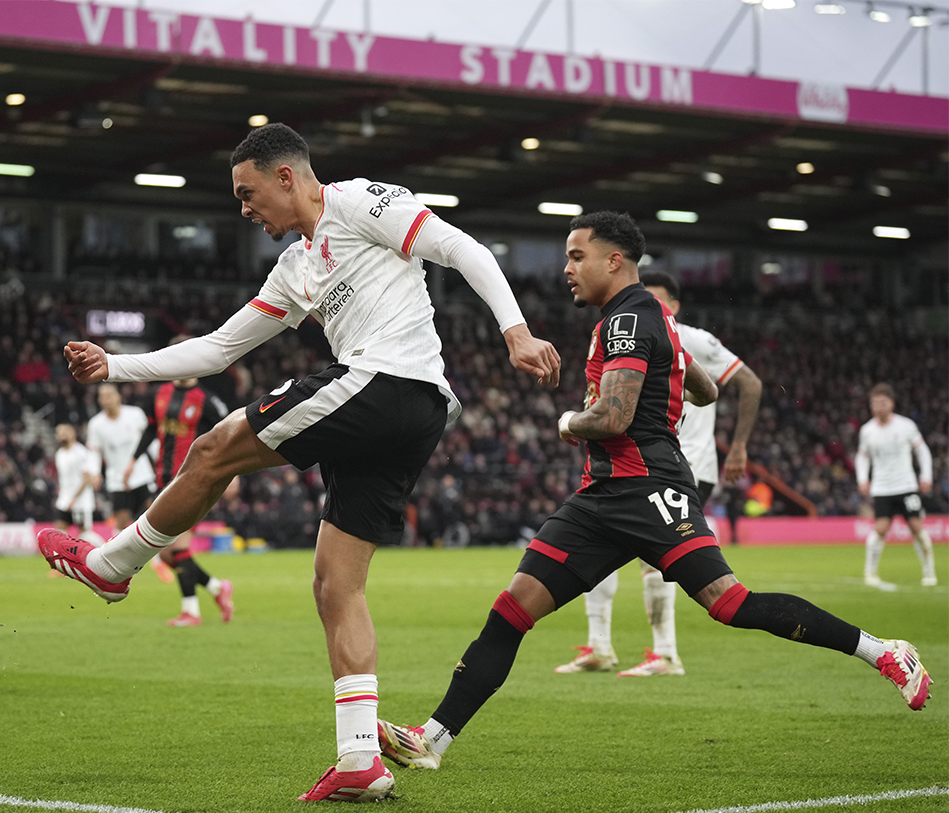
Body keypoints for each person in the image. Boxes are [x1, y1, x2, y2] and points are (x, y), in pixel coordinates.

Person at [40, 122, 561, 801]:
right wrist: (117, 363)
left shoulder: (360, 203)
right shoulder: (293, 267)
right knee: (335, 584)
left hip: (388, 382)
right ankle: (358, 761)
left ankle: (112, 567)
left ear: (286, 176)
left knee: (212, 449)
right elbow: (220, 349)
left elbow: (457, 245)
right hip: (410, 416)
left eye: (248, 192)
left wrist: (514, 330)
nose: (245, 209)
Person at [375, 212, 932, 780]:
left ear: (612, 259)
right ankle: (432, 738)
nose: (566, 269)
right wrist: (671, 369)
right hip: (600, 499)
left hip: (649, 490)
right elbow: (709, 389)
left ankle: (884, 650)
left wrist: (569, 421)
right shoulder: (654, 318)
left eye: (575, 256)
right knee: (511, 610)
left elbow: (613, 418)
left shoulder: (630, 319)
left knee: (730, 604)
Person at [557, 270, 764, 677]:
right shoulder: (620, 332)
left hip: (683, 464)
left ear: (675, 304)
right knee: (594, 546)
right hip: (632, 463)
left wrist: (738, 446)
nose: (646, 305)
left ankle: (666, 653)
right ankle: (600, 646)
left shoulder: (693, 339)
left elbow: (749, 383)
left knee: (655, 560)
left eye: (657, 299)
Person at [124, 354, 236, 628]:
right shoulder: (159, 394)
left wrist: (233, 473)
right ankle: (217, 588)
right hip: (163, 479)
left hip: (193, 479)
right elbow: (151, 429)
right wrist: (133, 459)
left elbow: (230, 434)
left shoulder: (207, 400)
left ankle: (191, 612)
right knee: (165, 553)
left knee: (179, 547)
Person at [857, 383, 936, 589]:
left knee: (916, 526)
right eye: (874, 403)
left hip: (906, 485)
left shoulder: (906, 425)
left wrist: (926, 476)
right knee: (880, 528)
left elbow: (923, 451)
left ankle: (929, 572)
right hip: (882, 487)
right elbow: (862, 457)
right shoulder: (867, 430)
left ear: (891, 403)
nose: (878, 407)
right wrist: (862, 478)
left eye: (882, 402)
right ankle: (870, 573)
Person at [87, 384, 156, 532]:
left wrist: (160, 458)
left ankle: (158, 555)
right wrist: (95, 472)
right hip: (117, 479)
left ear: (119, 396)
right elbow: (94, 452)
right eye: (103, 396)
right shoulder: (96, 424)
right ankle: (119, 553)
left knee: (153, 517)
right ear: (99, 400)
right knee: (122, 523)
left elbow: (150, 440)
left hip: (142, 474)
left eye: (110, 395)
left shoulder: (135, 414)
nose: (107, 399)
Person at [52, 423, 102, 541]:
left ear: (73, 434)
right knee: (59, 532)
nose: (62, 435)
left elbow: (87, 478)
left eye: (65, 431)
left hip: (80, 501)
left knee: (84, 534)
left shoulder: (81, 452)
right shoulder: (59, 454)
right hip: (64, 499)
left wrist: (74, 498)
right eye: (59, 432)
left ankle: (104, 549)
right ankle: (62, 559)